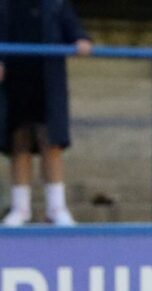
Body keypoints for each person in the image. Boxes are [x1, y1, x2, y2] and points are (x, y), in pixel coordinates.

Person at [0, 0, 92, 226]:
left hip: (47, 82)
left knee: (50, 142)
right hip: (15, 82)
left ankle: (56, 208)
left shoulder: (56, 4)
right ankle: (20, 208)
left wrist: (81, 40)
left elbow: (75, 31)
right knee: (18, 142)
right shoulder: (5, 6)